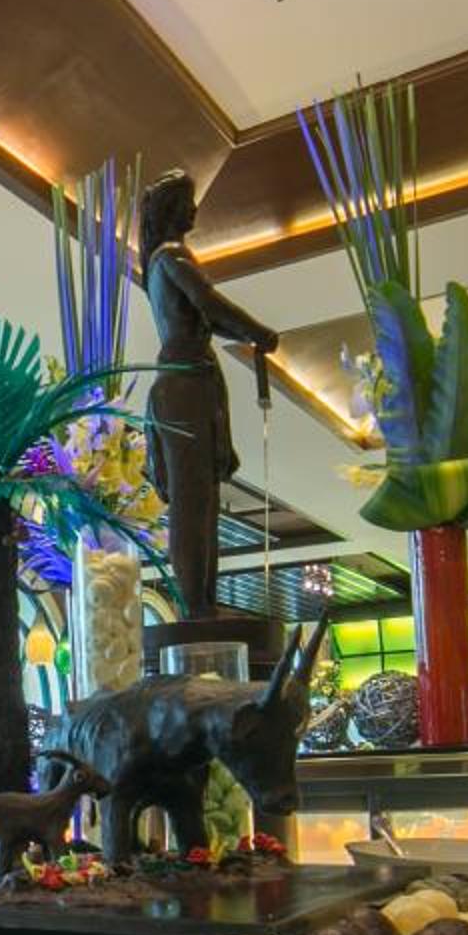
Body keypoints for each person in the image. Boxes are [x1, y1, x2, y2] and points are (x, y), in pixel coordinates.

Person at [139, 170, 278, 619]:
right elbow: (208, 302)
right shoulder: (171, 256)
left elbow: (208, 318)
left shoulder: (165, 261)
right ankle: (195, 604)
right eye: (187, 202)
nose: (194, 210)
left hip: (192, 383)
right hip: (184, 387)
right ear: (170, 210)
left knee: (203, 501)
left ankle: (203, 600)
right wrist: (257, 331)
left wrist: (249, 335)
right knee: (192, 501)